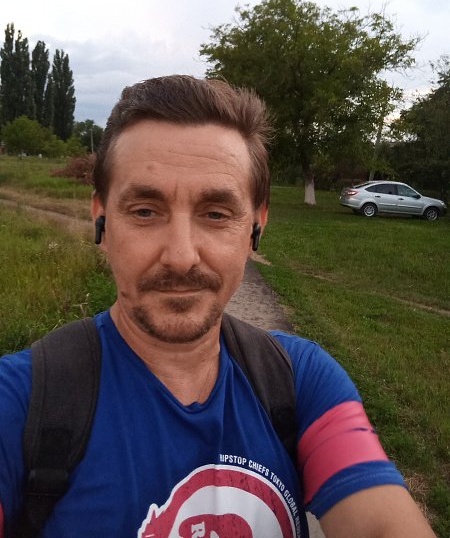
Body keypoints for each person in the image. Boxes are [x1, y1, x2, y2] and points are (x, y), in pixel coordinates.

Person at [0, 75, 435, 538]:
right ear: (101, 218)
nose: (181, 256)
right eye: (145, 211)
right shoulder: (21, 401)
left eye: (215, 214)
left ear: (255, 227)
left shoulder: (302, 382)